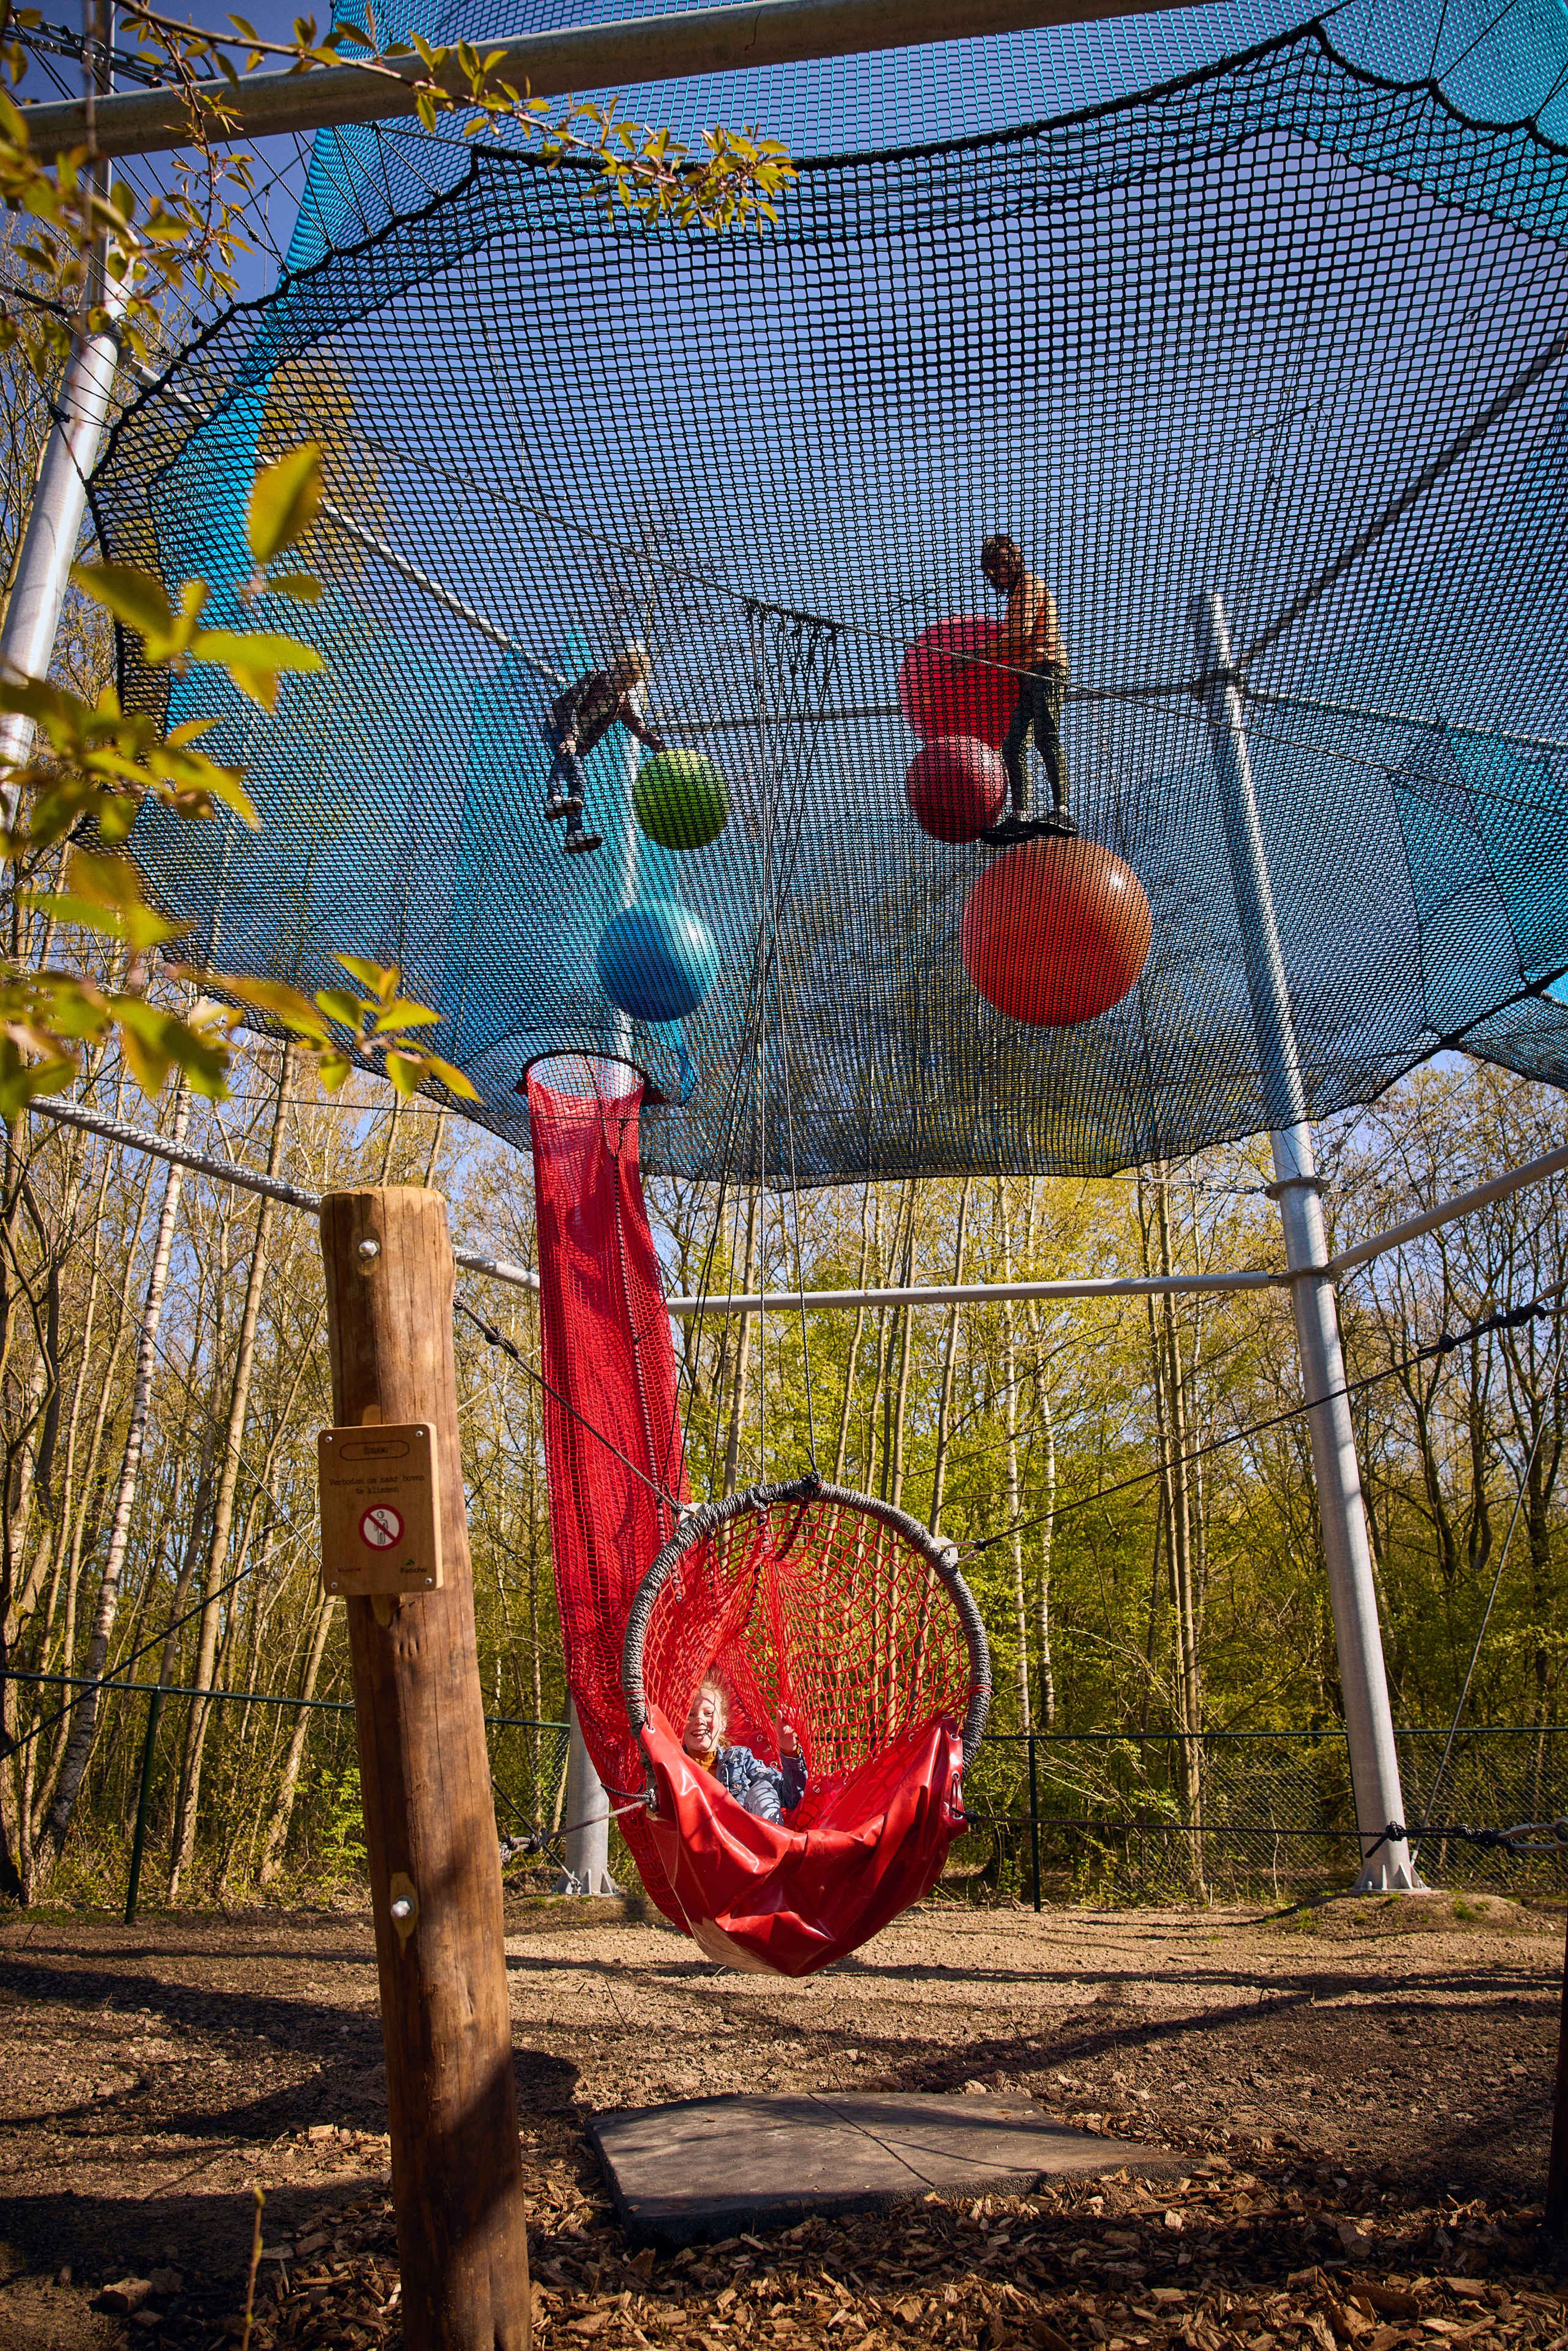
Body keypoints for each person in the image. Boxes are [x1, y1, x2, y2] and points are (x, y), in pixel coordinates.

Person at [979, 533, 1074, 842]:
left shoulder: (1029, 584)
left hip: (1047, 667)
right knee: (1014, 744)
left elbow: (1021, 633)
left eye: (1004, 563)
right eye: (994, 568)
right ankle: (1020, 815)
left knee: (1047, 735)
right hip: (1027, 674)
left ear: (1016, 559)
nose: (1000, 571)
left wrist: (978, 655)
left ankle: (1062, 810)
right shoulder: (1016, 594)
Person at [543, 642, 666, 856]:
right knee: (576, 776)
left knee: (570, 781)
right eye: (624, 678)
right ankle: (554, 800)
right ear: (616, 667)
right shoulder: (595, 679)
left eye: (630, 683)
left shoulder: (621, 702)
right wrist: (570, 736)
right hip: (559, 724)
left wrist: (659, 747)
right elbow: (570, 706)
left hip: (579, 741)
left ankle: (574, 834)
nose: (624, 685)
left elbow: (637, 727)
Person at [682, 1677, 806, 1824]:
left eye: (708, 1713)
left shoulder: (739, 1761)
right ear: (680, 1722)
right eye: (691, 1715)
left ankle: (774, 1847)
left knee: (763, 1789)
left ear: (723, 1724)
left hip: (737, 1839)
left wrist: (789, 1748)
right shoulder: (672, 1763)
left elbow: (792, 1797)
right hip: (693, 1839)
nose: (699, 1720)